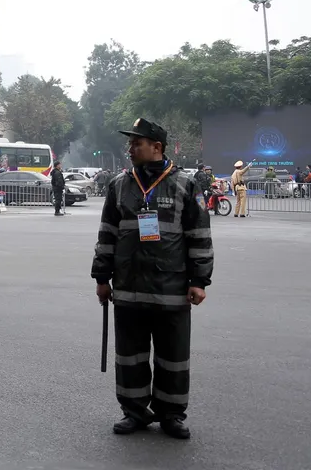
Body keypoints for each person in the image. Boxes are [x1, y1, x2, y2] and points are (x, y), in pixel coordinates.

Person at [91, 118, 212, 440]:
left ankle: (171, 414)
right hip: (128, 287)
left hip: (171, 288)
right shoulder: (119, 184)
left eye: (137, 143)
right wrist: (102, 277)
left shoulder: (185, 184)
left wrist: (199, 280)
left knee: (173, 357)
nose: (130, 149)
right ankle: (134, 411)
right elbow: (107, 234)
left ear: (156, 147)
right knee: (130, 355)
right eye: (130, 144)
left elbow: (199, 235)